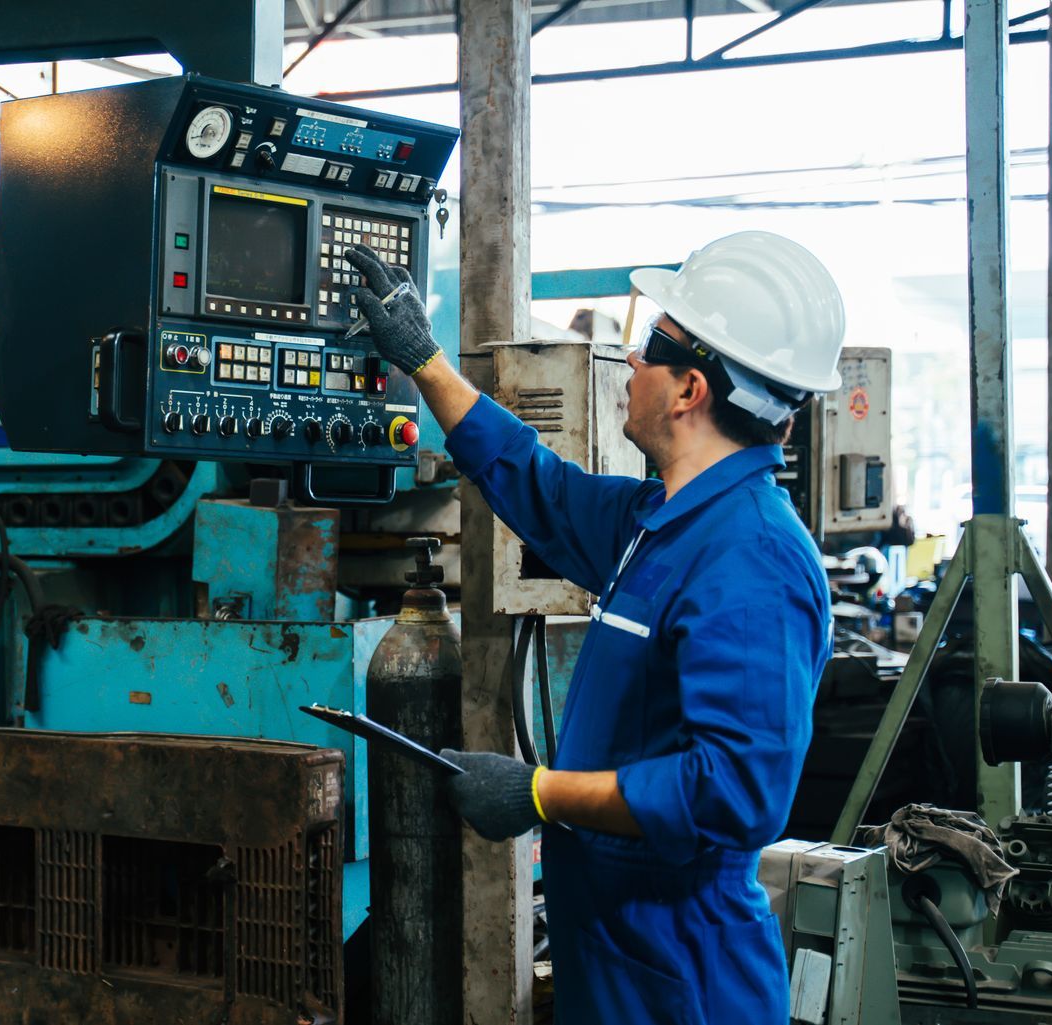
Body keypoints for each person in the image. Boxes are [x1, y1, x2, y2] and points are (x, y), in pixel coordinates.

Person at [344, 231, 843, 1024]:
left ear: (690, 391)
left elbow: (736, 792)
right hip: (618, 951)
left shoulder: (750, 561)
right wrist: (424, 360)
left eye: (651, 345)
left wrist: (539, 792)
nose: (630, 363)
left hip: (683, 972)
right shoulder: (663, 522)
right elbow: (536, 484)